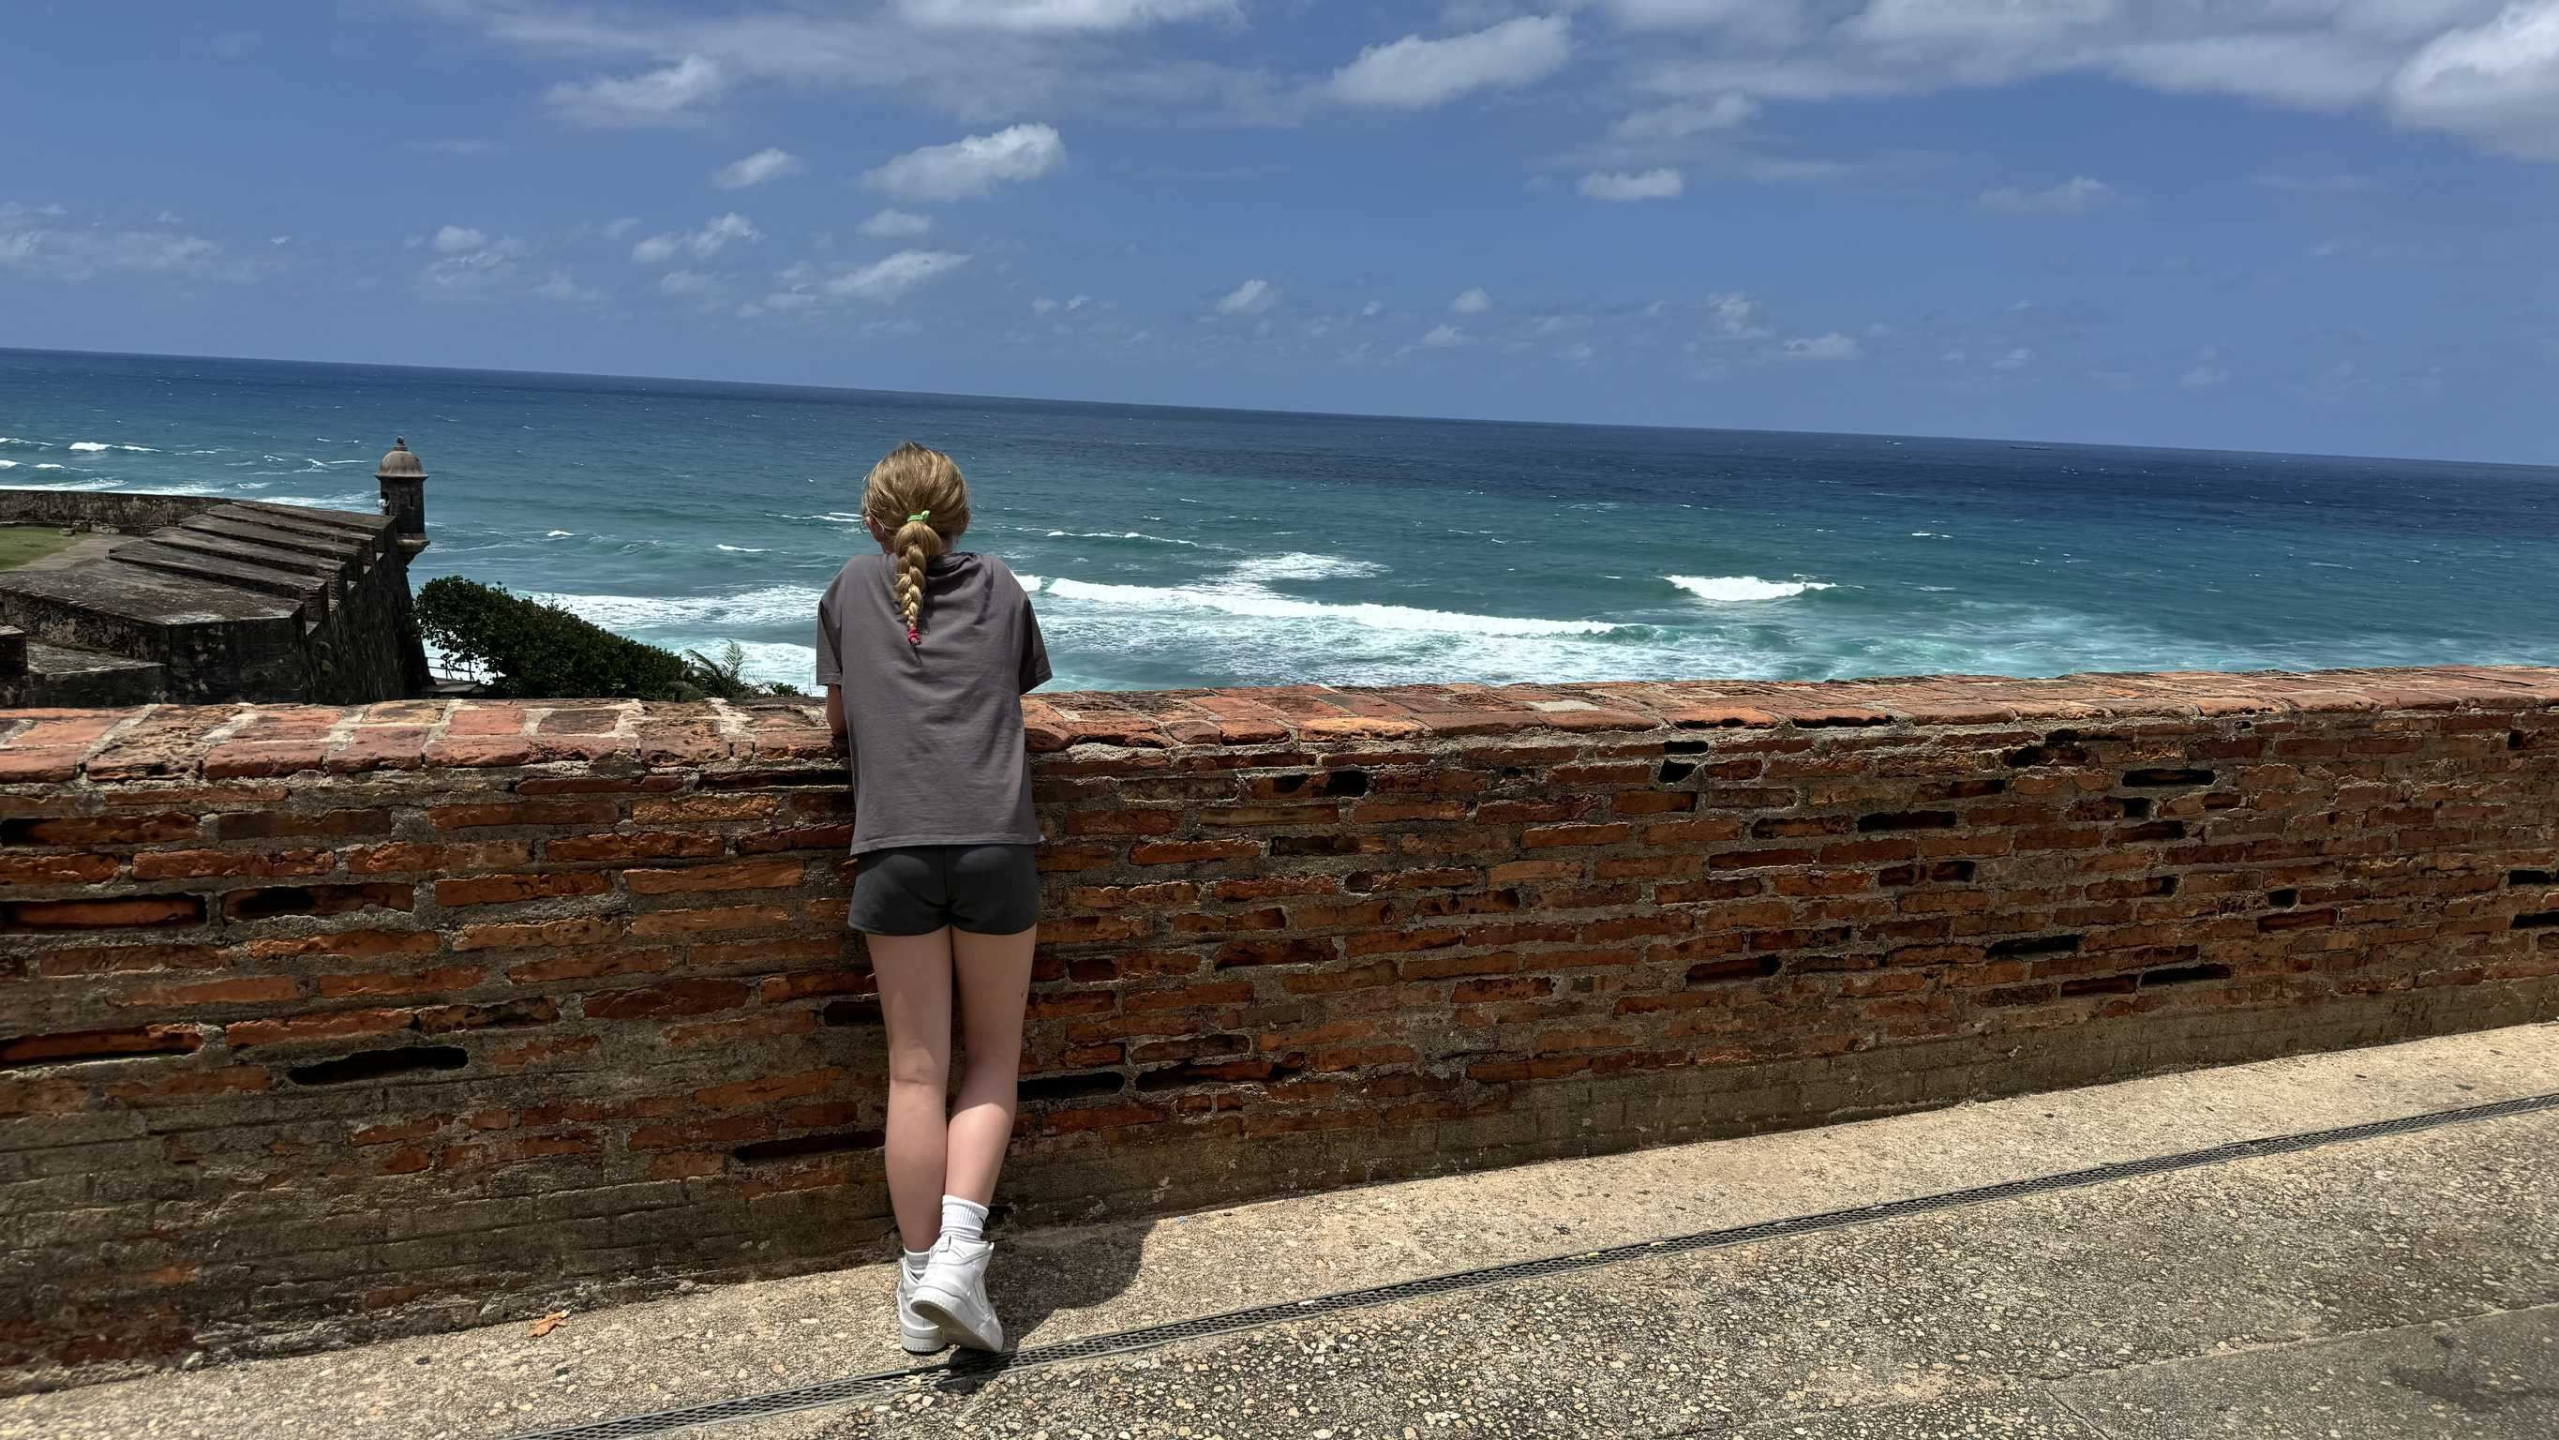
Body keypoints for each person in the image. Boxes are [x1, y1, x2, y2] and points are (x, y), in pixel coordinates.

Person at [815, 441, 1051, 1354]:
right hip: (996, 843)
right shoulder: (998, 585)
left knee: (914, 1071)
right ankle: (960, 1258)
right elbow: (1015, 690)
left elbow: (840, 721)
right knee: (991, 1059)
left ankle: (923, 1289)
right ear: (960, 517)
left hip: (894, 848)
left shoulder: (847, 585)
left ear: (872, 521)